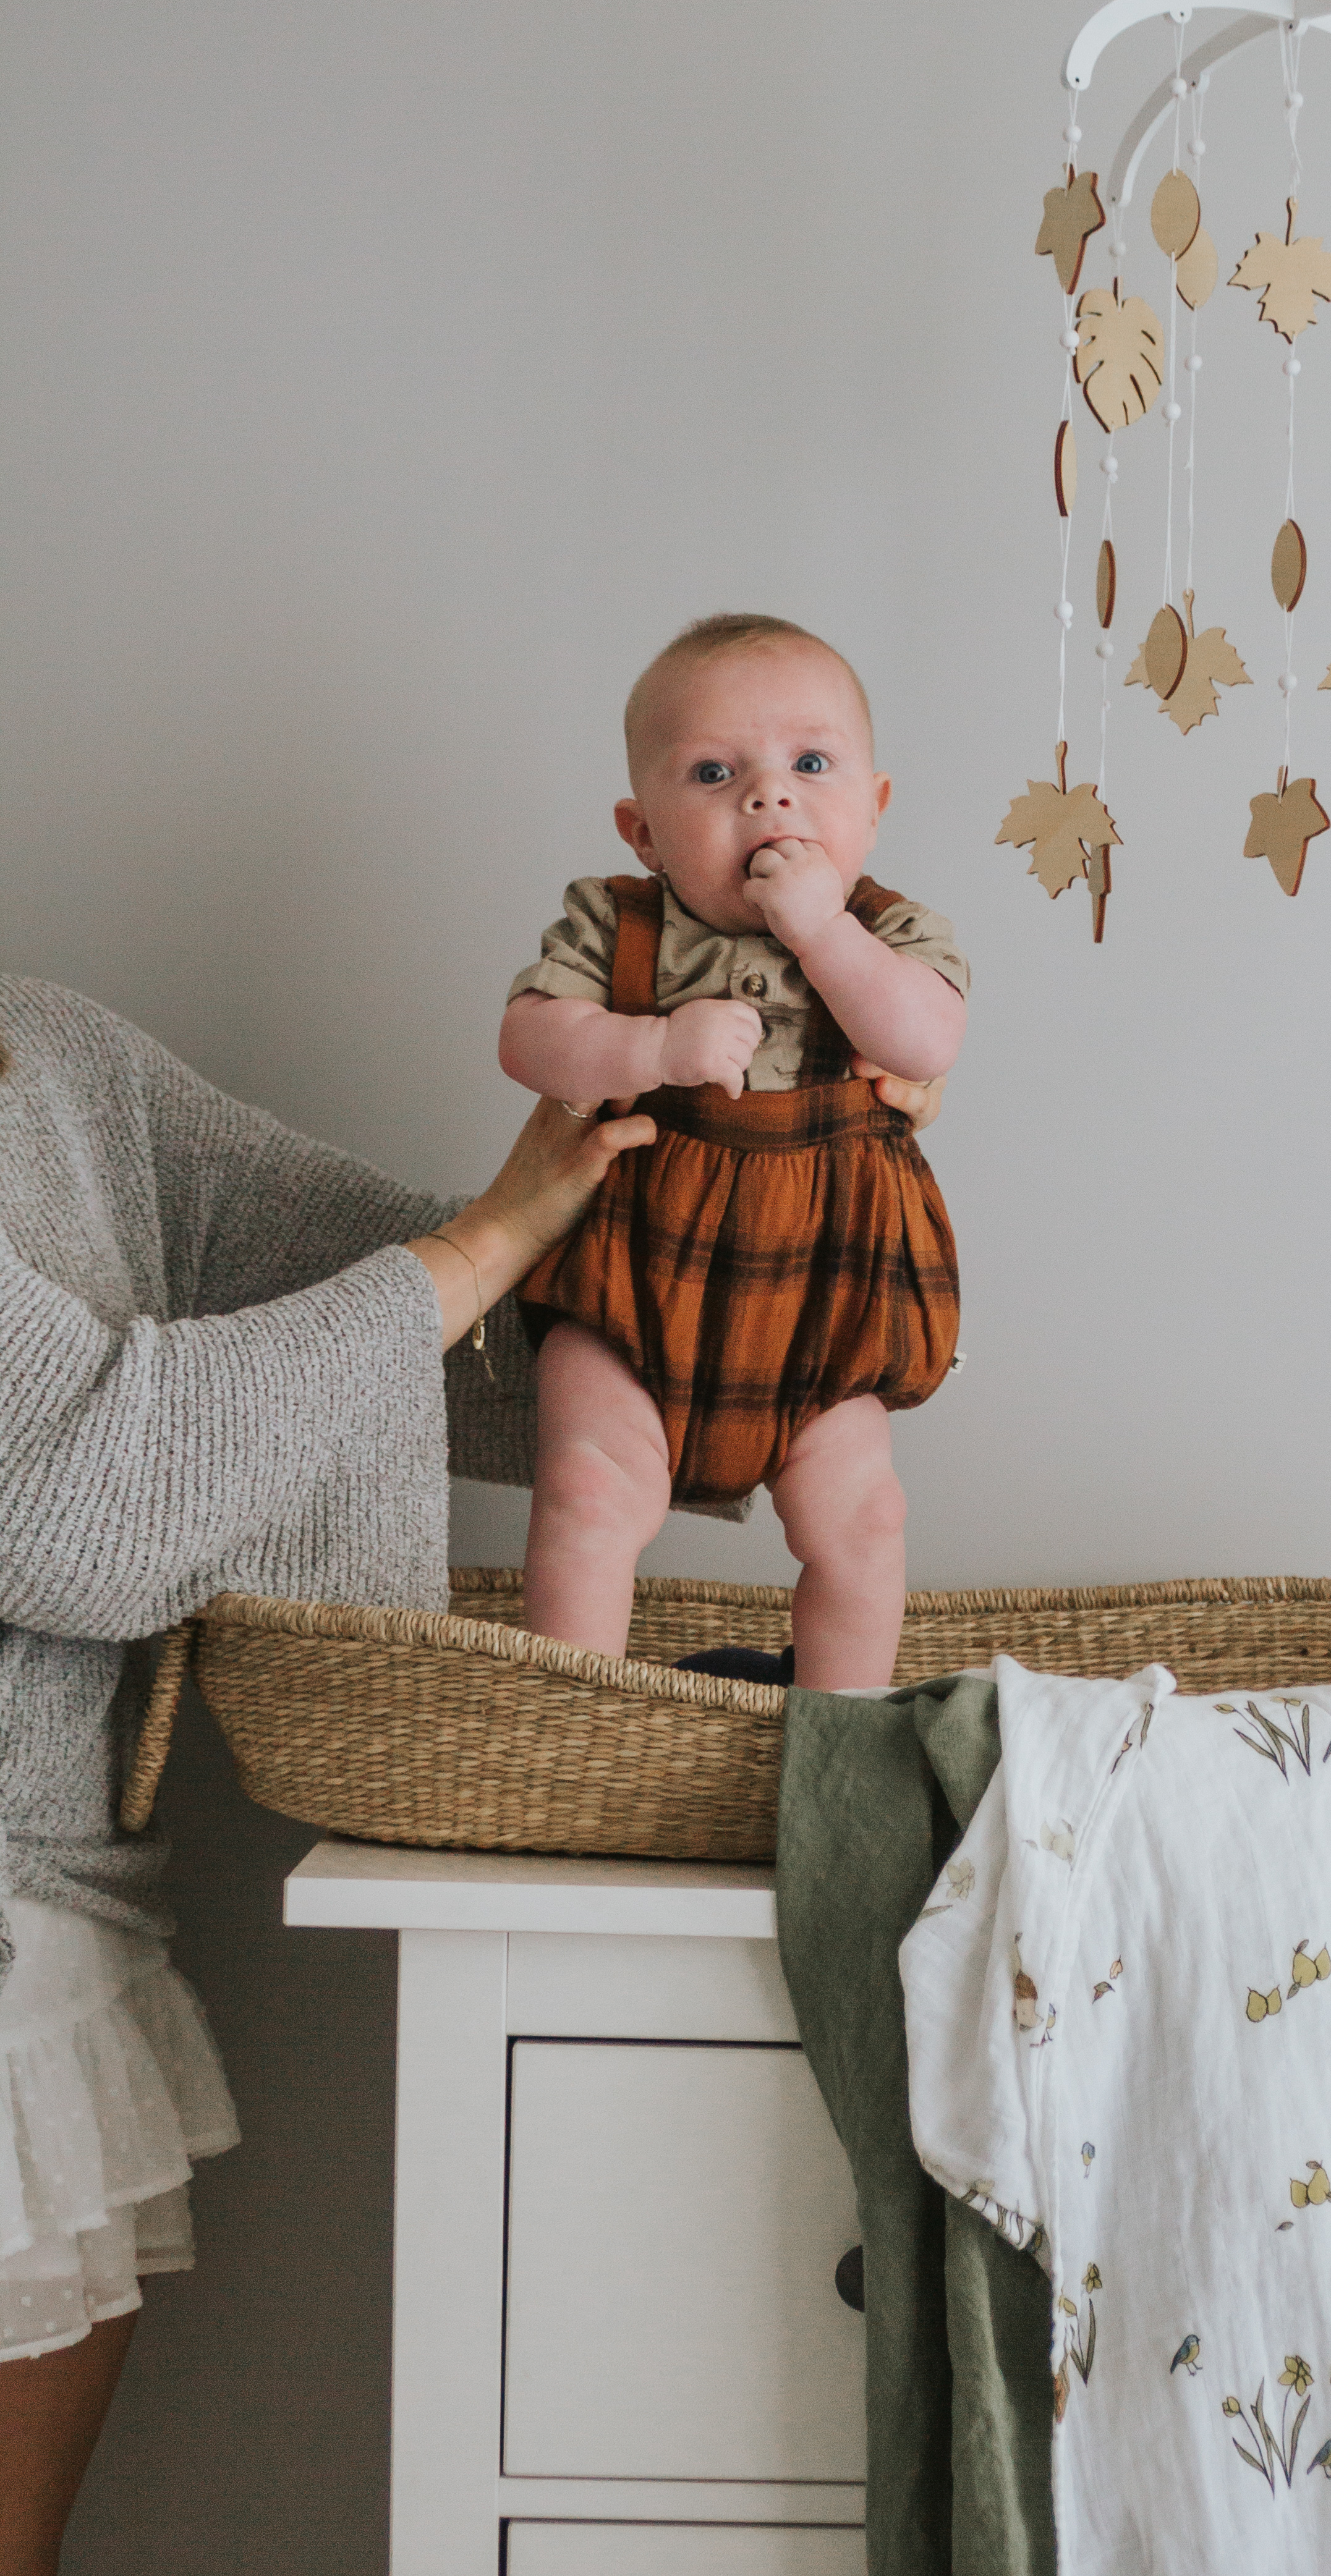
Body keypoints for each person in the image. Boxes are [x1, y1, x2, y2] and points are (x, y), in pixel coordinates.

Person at [0, 968, 939, 2572]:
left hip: (49, 1961)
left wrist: (800, 1264)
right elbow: (80, 1492)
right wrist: (484, 1244)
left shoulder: (58, 1069)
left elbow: (412, 1324)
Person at [501, 613, 967, 1687]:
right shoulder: (616, 925)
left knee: (865, 1522)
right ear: (643, 833)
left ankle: (834, 1758)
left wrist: (821, 930)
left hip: (825, 1292)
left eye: (810, 764)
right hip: (633, 1278)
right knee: (583, 1490)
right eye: (713, 773)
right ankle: (570, 1744)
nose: (769, 796)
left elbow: (924, 1038)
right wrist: (654, 1043)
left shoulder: (890, 934)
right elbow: (527, 1040)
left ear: (874, 808)